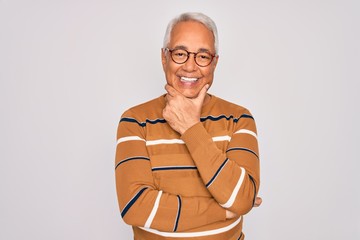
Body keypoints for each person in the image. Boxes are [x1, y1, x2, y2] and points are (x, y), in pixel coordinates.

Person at [115, 12, 261, 240]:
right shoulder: (135, 121)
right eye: (180, 54)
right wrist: (223, 210)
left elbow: (241, 198)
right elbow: (136, 208)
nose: (190, 67)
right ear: (164, 58)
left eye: (203, 56)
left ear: (214, 62)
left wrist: (190, 127)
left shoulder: (239, 119)